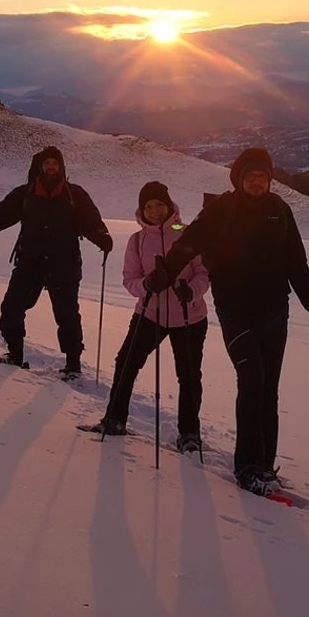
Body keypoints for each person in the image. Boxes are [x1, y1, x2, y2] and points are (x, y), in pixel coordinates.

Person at [144, 147, 309, 495]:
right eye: (250, 176)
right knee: (253, 379)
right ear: (238, 179)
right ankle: (247, 467)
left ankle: (265, 464)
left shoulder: (280, 210)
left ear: (270, 181)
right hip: (236, 311)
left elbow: (296, 261)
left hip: (276, 312)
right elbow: (187, 243)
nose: (257, 182)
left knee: (268, 389)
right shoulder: (221, 210)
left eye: (263, 177)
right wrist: (164, 274)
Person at [0, 145, 114, 378]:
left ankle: (73, 365)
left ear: (62, 167)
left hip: (64, 264)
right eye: (47, 163)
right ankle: (15, 354)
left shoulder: (75, 194)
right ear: (39, 167)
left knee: (67, 314)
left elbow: (90, 221)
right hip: (30, 263)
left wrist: (102, 237)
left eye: (55, 163)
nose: (51, 167)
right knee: (12, 307)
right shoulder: (25, 194)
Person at [81, 181, 210, 451]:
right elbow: (130, 280)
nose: (154, 210)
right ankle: (115, 419)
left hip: (189, 316)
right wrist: (146, 286)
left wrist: (192, 291)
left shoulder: (187, 234)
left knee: (188, 376)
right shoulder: (137, 240)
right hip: (149, 312)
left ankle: (189, 434)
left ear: (169, 205)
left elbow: (203, 273)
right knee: (126, 362)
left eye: (159, 204)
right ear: (141, 209)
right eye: (148, 206)